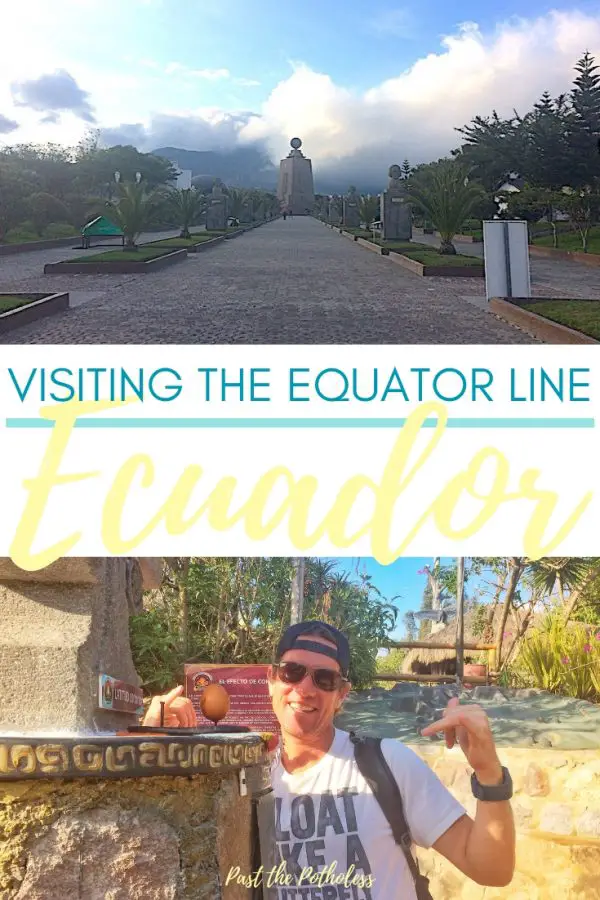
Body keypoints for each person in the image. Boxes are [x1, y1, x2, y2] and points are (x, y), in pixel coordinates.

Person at [143, 620, 515, 898]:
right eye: (292, 672)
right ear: (272, 680)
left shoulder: (388, 764)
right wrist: (153, 750)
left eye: (324, 679)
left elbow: (491, 868)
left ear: (341, 694)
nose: (305, 688)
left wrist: (489, 773)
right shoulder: (248, 780)